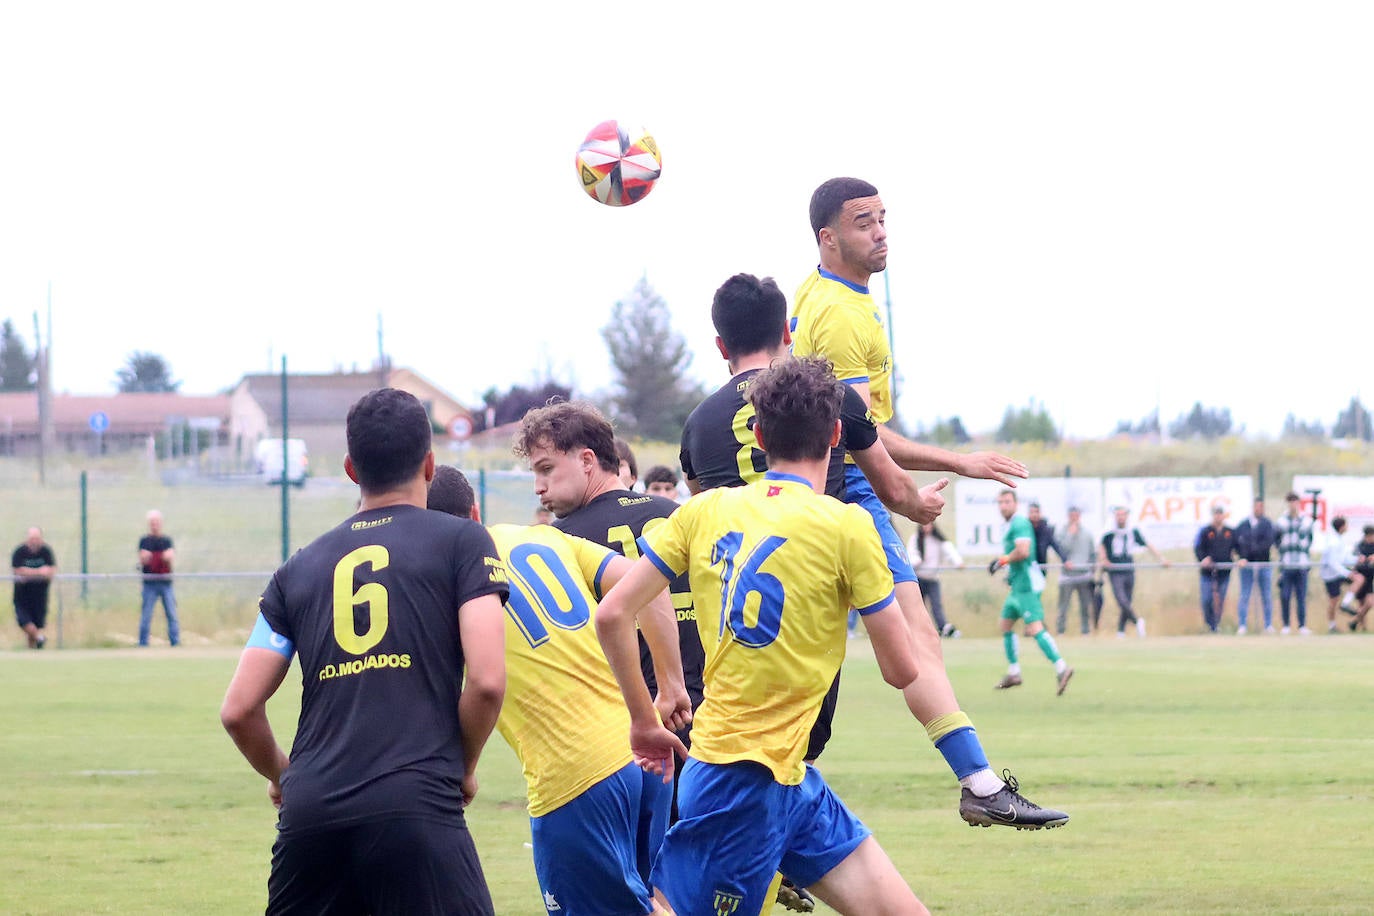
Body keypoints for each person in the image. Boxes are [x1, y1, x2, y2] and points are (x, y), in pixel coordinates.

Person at [686, 270, 1060, 835]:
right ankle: (978, 782)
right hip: (816, 571)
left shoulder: (697, 428)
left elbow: (699, 523)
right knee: (910, 649)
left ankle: (748, 836)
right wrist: (922, 502)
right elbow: (891, 486)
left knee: (750, 734)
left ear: (720, 345)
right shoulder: (822, 398)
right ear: (788, 332)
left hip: (739, 609)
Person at [595, 357, 952, 916]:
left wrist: (645, 719)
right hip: (740, 784)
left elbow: (613, 614)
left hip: (785, 775)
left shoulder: (704, 509)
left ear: (759, 437)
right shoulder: (848, 525)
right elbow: (902, 671)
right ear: (837, 435)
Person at [789, 181, 1067, 824]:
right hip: (845, 479)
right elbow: (861, 435)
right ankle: (979, 784)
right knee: (914, 646)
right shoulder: (841, 313)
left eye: (884, 220)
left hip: (823, 475)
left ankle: (769, 800)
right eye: (864, 223)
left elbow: (855, 422)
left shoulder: (826, 294)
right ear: (828, 238)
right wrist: (938, 475)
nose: (881, 232)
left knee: (818, 653)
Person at [219, 388, 508, 915]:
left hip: (310, 813)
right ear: (428, 463)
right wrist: (461, 767)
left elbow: (238, 709)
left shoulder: (298, 569)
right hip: (415, 803)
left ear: (351, 469)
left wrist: (286, 778)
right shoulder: (463, 543)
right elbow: (487, 681)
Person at [427, 466, 688, 916]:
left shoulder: (440, 576)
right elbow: (646, 582)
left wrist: (461, 768)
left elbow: (475, 686)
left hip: (576, 774)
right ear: (474, 511)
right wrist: (669, 687)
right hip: (643, 755)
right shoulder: (543, 536)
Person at [513, 402, 705, 818]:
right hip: (705, 720)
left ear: (587, 461)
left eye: (545, 469)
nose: (537, 487)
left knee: (640, 874)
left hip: (622, 743)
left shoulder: (558, 545)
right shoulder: (679, 517)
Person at [989, 489, 1074, 695]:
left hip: (1027, 586)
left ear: (1015, 504)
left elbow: (1023, 551)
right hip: (1017, 586)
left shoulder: (1019, 524)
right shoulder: (1010, 525)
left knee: (1035, 628)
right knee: (1005, 624)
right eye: (1000, 502)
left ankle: (1062, 668)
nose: (1003, 506)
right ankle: (1014, 672)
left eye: (1007, 502)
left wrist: (1002, 561)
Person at [1097, 506, 1167, 637]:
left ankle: (1120, 631)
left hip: (1128, 568)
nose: (1121, 518)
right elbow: (1101, 545)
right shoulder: (1109, 532)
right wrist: (1104, 559)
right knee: (1121, 599)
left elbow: (1147, 544)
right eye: (1118, 515)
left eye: (1123, 515)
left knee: (1127, 601)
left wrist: (1161, 559)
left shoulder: (1132, 531)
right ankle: (1137, 621)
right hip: (1115, 570)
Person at [909, 522, 963, 638]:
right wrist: (916, 561)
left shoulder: (938, 540)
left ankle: (943, 628)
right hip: (918, 579)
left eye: (928, 525)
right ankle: (918, 630)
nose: (926, 527)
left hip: (932, 579)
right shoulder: (915, 539)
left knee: (936, 605)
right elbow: (910, 555)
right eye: (924, 525)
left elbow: (949, 551)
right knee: (918, 607)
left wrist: (958, 562)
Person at [1195, 504, 1243, 632]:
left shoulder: (1230, 532)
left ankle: (1216, 625)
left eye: (1220, 513)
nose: (1218, 516)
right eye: (1216, 513)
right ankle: (1209, 623)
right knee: (1206, 599)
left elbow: (1238, 547)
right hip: (1207, 572)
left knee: (1220, 599)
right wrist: (1203, 558)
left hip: (1224, 571)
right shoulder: (1205, 531)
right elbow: (1198, 548)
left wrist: (1241, 558)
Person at [1234, 497, 1278, 634]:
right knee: (1244, 595)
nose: (1259, 509)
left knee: (1266, 595)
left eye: (1261, 507)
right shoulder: (1243, 525)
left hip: (1264, 564)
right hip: (1246, 565)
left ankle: (1268, 625)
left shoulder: (1267, 524)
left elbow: (1268, 542)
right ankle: (1242, 625)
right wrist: (1244, 557)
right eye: (1257, 506)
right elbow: (1238, 542)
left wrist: (1255, 552)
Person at [1274, 491, 1315, 635]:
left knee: (1301, 596)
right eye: (1290, 501)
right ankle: (1286, 625)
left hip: (1302, 564)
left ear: (1299, 503)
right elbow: (1277, 542)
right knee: (1285, 595)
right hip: (1286, 564)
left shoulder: (1307, 521)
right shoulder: (1281, 521)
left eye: (1295, 501)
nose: (1292, 504)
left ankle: (1302, 625)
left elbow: (1310, 541)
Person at [1050, 507, 1096, 636]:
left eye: (1076, 515)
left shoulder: (1087, 533)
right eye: (1071, 516)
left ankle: (1086, 632)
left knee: (1085, 606)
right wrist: (1070, 534)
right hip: (1067, 575)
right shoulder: (1062, 533)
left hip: (1084, 574)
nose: (1074, 518)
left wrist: (1092, 571)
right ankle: (1060, 631)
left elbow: (1093, 553)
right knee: (1063, 606)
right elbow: (1061, 550)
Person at [138, 509, 179, 647]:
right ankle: (143, 642)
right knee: (146, 615)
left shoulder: (166, 540)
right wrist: (159, 556)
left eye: (157, 522)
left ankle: (175, 641)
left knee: (171, 614)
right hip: (149, 583)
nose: (155, 525)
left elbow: (169, 556)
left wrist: (154, 556)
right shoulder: (144, 541)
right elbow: (143, 557)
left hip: (165, 582)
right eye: (152, 522)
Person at [12, 526, 56, 649]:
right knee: (24, 621)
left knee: (36, 624)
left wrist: (30, 572)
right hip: (22, 595)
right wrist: (39, 572)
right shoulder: (20, 552)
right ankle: (39, 637)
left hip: (40, 595)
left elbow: (51, 570)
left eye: (37, 538)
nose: (34, 541)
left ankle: (32, 651)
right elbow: (18, 570)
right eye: (32, 538)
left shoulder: (46, 552)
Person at [1319, 516, 1358, 632]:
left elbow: (1343, 558)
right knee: (1333, 600)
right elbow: (1332, 563)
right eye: (1346, 525)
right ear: (1341, 527)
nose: (1347, 527)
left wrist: (1358, 559)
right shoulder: (1333, 542)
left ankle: (1345, 603)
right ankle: (1332, 626)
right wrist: (1347, 573)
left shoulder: (1339, 539)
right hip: (1330, 575)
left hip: (1339, 572)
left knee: (1359, 579)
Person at [1348, 525, 1374, 632]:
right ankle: (1362, 628)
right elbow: (1353, 559)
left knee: (1369, 603)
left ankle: (1354, 621)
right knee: (1361, 603)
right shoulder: (1359, 546)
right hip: (1360, 577)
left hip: (1370, 578)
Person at [1027, 501, 1054, 576]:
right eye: (1032, 512)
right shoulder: (1024, 528)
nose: (1034, 514)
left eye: (1036, 512)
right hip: (1026, 568)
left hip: (1041, 568)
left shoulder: (1046, 530)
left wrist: (1065, 560)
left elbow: (1056, 545)